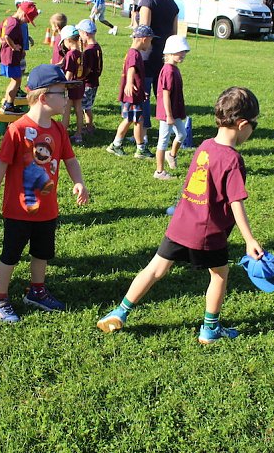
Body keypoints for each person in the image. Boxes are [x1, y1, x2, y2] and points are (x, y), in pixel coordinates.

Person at [98, 87, 264, 344]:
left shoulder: (205, 147)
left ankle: (120, 311)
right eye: (253, 125)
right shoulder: (232, 159)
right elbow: (235, 202)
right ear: (243, 124)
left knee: (154, 270)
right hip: (208, 233)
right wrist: (249, 239)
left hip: (181, 224)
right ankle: (210, 330)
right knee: (219, 274)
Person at [0, 64, 90, 323]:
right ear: (43, 97)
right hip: (19, 210)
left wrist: (79, 182)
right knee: (10, 255)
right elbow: (1, 163)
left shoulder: (59, 129)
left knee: (42, 253)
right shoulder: (17, 129)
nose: (66, 99)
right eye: (61, 93)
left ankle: (36, 291)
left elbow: (70, 160)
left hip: (47, 209)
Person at [137, 0, 179, 138]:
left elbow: (143, 30)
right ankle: (169, 132)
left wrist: (135, 51)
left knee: (144, 95)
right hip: (166, 55)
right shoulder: (172, 3)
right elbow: (175, 33)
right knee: (163, 96)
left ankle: (143, 133)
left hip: (148, 54)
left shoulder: (147, 1)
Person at [105, 25, 155, 159]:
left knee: (132, 120)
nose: (150, 45)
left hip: (135, 94)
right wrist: (129, 83)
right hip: (132, 96)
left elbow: (138, 74)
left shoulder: (134, 53)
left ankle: (118, 145)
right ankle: (139, 149)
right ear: (144, 39)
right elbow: (131, 69)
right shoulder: (134, 53)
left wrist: (142, 90)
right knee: (137, 120)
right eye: (150, 41)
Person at [153, 35, 190, 180]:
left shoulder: (175, 69)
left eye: (184, 52)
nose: (182, 55)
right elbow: (165, 95)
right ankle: (159, 171)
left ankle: (171, 155)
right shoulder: (168, 70)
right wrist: (168, 115)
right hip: (167, 113)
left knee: (182, 134)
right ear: (169, 53)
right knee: (163, 140)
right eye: (179, 52)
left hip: (174, 112)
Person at [0, 0, 38, 114]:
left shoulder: (8, 19)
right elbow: (7, 35)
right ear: (23, 14)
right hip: (11, 57)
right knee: (17, 81)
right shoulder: (14, 23)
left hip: (6, 57)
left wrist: (1, 42)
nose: (27, 23)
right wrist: (13, 46)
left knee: (13, 80)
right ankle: (9, 105)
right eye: (28, 20)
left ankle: (6, 103)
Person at [56, 25, 84, 143]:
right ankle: (78, 134)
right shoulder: (81, 53)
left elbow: (69, 73)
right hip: (80, 84)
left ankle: (63, 135)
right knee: (79, 109)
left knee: (66, 110)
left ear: (68, 40)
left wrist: (63, 86)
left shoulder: (70, 54)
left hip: (71, 85)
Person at [76, 18, 103, 135]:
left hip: (87, 83)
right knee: (88, 106)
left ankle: (87, 127)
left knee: (84, 107)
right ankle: (89, 126)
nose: (79, 36)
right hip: (95, 81)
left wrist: (81, 77)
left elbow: (87, 69)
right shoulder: (97, 46)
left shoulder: (88, 51)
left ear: (85, 34)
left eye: (80, 33)